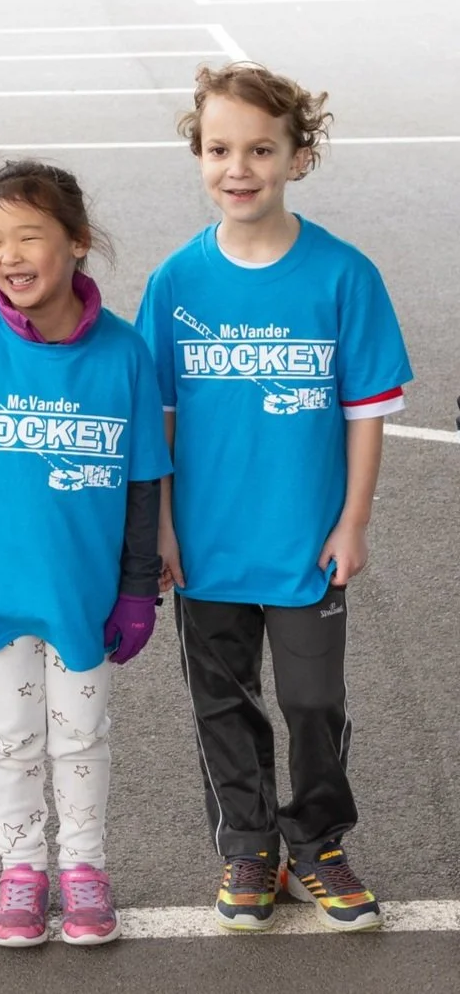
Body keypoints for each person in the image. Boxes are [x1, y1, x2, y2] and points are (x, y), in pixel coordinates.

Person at [136, 62, 412, 933]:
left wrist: (354, 519)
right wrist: (163, 528)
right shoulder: (177, 282)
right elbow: (161, 425)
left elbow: (366, 413)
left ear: (299, 155)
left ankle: (319, 842)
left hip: (305, 543)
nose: (239, 167)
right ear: (199, 155)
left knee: (311, 701)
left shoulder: (343, 275)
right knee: (222, 701)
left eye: (261, 148)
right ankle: (249, 845)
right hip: (208, 544)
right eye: (219, 148)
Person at [0, 159, 170, 948]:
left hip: (81, 595)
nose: (10, 256)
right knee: (11, 734)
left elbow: (142, 485)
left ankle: (84, 868)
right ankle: (22, 869)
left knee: (82, 734)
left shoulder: (123, 353)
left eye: (30, 236)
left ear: (77, 243)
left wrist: (135, 590)